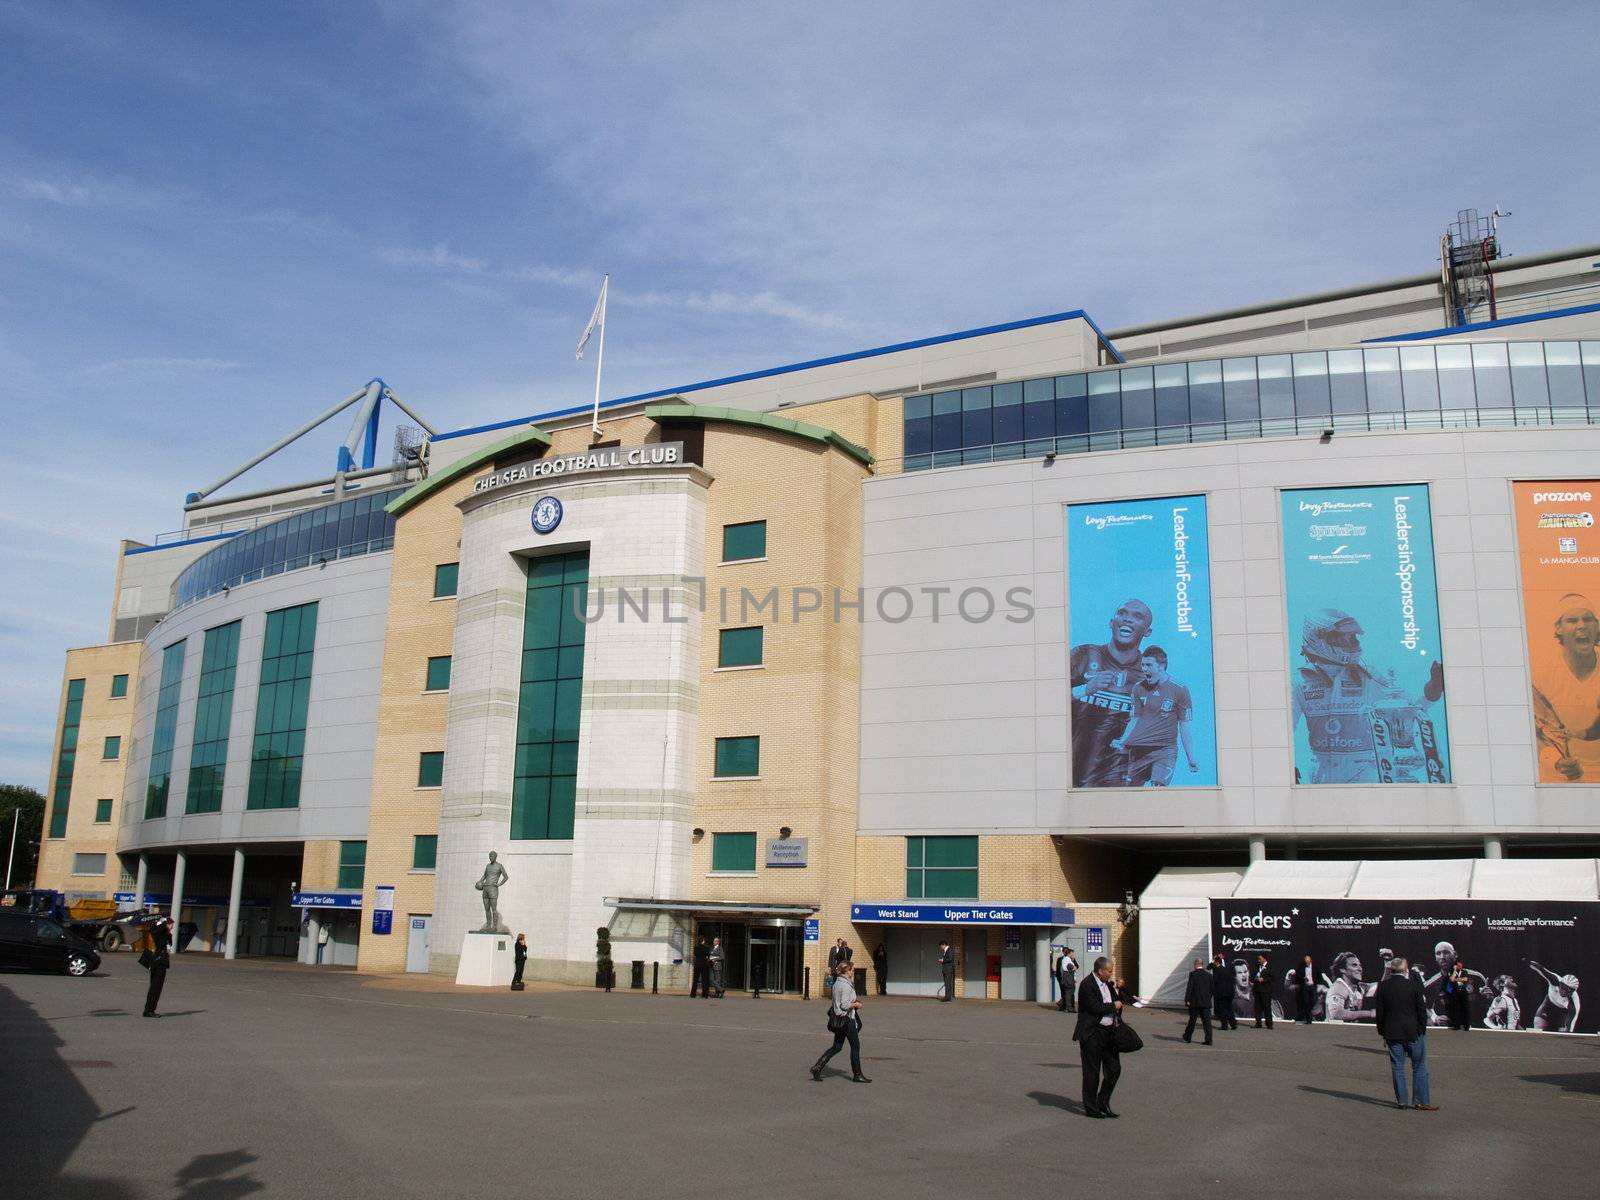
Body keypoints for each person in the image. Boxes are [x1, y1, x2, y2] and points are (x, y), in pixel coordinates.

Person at [1290, 609, 1446, 784]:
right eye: (1344, 638)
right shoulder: (1299, 682)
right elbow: (1283, 730)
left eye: (1353, 637)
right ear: (1318, 638)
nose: (1353, 643)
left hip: (1367, 771)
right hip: (1321, 774)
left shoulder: (1368, 676)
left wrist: (1435, 686)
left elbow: (1412, 708)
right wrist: (1284, 766)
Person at [1070, 598, 1154, 787]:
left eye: (1137, 616)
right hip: (1076, 774)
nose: (1128, 619)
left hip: (1120, 780)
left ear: (1147, 632)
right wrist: (1084, 690)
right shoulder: (1083, 655)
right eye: (1122, 613)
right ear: (1111, 623)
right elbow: (1042, 702)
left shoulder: (1149, 675)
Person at [1532, 594, 1600, 782]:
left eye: (1588, 619)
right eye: (1572, 620)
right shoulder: (1539, 676)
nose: (1581, 626)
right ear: (1558, 628)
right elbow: (1533, 732)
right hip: (1560, 781)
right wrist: (1556, 761)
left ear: (1597, 626)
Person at [1108, 647, 1198, 785]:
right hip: (1138, 750)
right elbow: (1135, 719)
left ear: (1161, 666)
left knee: (1158, 791)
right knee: (1133, 794)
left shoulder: (1179, 689)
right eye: (1143, 665)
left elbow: (1184, 726)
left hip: (1164, 750)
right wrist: (1123, 740)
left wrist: (1191, 759)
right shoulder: (1138, 688)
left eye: (1149, 665)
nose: (1144, 669)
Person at [1374, 955, 1436, 1110]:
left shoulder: (1383, 987)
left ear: (1392, 970)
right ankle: (1421, 1101)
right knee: (1419, 1066)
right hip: (1413, 1032)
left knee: (1397, 1067)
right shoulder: (1413, 985)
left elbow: (1380, 1013)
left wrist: (1383, 1032)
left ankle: (1402, 1101)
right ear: (1405, 969)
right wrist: (1422, 1029)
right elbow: (1421, 1011)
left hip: (1392, 1033)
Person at [1073, 956, 1123, 1118]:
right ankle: (1091, 1107)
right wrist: (1112, 1006)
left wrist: (1118, 994)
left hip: (1109, 1033)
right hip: (1092, 1033)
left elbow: (1117, 1004)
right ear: (1100, 971)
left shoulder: (1108, 985)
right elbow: (1094, 1007)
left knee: (1114, 1069)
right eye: (1109, 971)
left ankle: (1103, 1101)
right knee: (1092, 1072)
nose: (1111, 974)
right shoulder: (1087, 984)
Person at [810, 956, 870, 1083]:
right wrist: (856, 1004)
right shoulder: (846, 985)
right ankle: (857, 1074)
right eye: (852, 970)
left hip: (838, 1020)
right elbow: (844, 1004)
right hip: (846, 1019)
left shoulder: (837, 983)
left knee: (837, 1046)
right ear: (847, 971)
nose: (853, 972)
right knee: (855, 1046)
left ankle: (817, 1067)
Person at [1528, 960, 1582, 1033]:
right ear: (1560, 983)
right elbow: (1541, 969)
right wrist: (1527, 961)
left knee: (1564, 1033)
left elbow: (1571, 1023)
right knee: (1537, 1026)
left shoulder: (1574, 1001)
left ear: (1573, 992)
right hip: (1548, 1004)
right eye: (1562, 988)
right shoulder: (1554, 979)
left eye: (1567, 991)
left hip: (1563, 1012)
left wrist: (1568, 1032)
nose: (1563, 992)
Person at [1324, 952, 1376, 1022]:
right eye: (1354, 965)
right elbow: (1337, 1015)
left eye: (1360, 965)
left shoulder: (1361, 988)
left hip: (1349, 1032)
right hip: (1333, 1032)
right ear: (1342, 969)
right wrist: (1370, 1013)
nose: (1360, 969)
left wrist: (1387, 964)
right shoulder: (1338, 988)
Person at [143, 917, 172, 1018]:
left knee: (156, 987)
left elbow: (169, 942)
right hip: (158, 963)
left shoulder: (166, 935)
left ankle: (150, 1009)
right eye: (170, 924)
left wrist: (167, 930)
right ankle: (149, 1010)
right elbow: (155, 929)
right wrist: (163, 922)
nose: (171, 927)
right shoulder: (158, 932)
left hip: (161, 963)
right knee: (155, 987)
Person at [474, 851, 509, 934]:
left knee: (493, 909)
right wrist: (479, 881)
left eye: (492, 856)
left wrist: (499, 884)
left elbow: (506, 877)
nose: (490, 858)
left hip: (493, 889)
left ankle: (494, 926)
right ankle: (488, 925)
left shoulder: (499, 866)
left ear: (495, 856)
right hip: (485, 888)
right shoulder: (488, 866)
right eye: (489, 856)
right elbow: (485, 876)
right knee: (486, 909)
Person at [1182, 958, 1214, 1045]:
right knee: (1207, 1022)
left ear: (1196, 964)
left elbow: (1190, 988)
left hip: (1195, 1002)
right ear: (1202, 964)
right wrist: (1208, 998)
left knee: (1192, 1021)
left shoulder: (1193, 974)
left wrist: (1187, 999)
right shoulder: (1209, 975)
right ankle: (1209, 1039)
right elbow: (1212, 990)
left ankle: (1187, 1037)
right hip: (1206, 1002)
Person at [1210, 953, 1238, 1030]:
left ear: (1217, 962)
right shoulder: (1226, 969)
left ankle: (1224, 1025)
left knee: (1222, 1010)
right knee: (1229, 1009)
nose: (1214, 964)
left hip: (1221, 993)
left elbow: (1214, 981)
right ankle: (1233, 1024)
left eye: (1214, 962)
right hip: (1229, 992)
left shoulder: (1217, 970)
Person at [1445, 960, 1474, 1031]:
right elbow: (1451, 979)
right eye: (1458, 965)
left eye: (1460, 965)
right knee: (1456, 1009)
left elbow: (1465, 979)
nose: (1459, 966)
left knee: (1465, 1009)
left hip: (1463, 992)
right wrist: (1455, 971)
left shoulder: (1464, 972)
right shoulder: (1452, 972)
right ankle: (1456, 1025)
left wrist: (1456, 979)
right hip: (1455, 992)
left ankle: (1466, 1025)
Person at [1291, 954, 1318, 1024]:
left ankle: (1308, 1011)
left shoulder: (1315, 967)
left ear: (1311, 961)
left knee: (1313, 1001)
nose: (1307, 963)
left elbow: (1318, 976)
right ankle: (1309, 1020)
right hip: (1305, 987)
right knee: (1306, 1002)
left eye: (1308, 962)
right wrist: (1303, 978)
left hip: (1312, 986)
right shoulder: (1301, 967)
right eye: (1306, 962)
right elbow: (1297, 976)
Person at [1252, 955, 1275, 1029]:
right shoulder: (1257, 966)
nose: (1259, 960)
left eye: (1260, 959)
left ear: (1264, 959)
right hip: (1257, 989)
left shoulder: (1270, 966)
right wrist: (1255, 978)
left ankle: (1269, 1024)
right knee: (1257, 1008)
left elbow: (1272, 977)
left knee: (1267, 1007)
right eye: (1258, 959)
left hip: (1265, 990)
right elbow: (1253, 975)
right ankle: (1258, 1023)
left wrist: (1264, 979)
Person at [1057, 948, 1079, 1013]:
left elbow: (1076, 966)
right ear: (1069, 953)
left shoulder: (1070, 959)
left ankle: (1068, 1007)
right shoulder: (1066, 959)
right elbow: (1066, 968)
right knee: (1068, 994)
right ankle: (1068, 1007)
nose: (1073, 955)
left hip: (1070, 979)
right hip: (1068, 979)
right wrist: (1073, 968)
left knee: (1069, 993)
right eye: (1072, 953)